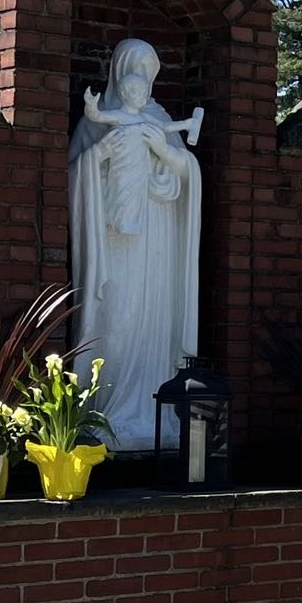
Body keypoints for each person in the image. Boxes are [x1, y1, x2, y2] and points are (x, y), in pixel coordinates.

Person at [67, 36, 202, 446]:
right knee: (119, 317)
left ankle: (150, 409)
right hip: (115, 239)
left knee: (152, 318)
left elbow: (188, 172)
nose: (139, 80)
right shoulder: (99, 119)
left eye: (148, 71)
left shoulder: (159, 115)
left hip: (158, 234)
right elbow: (74, 174)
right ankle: (106, 412)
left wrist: (166, 151)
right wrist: (100, 155)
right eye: (133, 69)